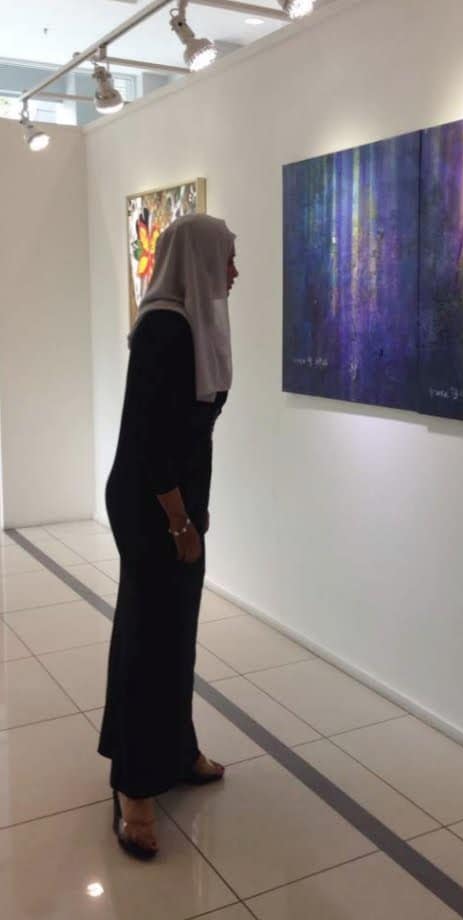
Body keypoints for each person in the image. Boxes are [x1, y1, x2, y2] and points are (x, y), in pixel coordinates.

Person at [98, 213, 239, 860]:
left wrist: (194, 510)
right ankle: (133, 785)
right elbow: (152, 442)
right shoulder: (164, 327)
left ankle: (177, 751)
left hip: (181, 498)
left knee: (176, 632)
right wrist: (179, 521)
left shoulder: (197, 323)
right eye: (227, 257)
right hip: (152, 504)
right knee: (147, 638)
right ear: (199, 258)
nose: (234, 271)